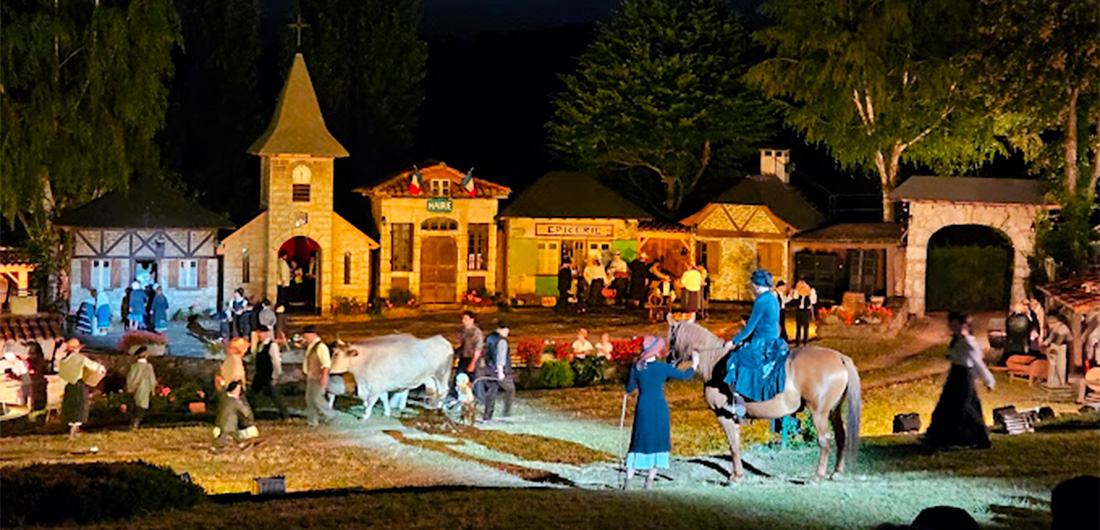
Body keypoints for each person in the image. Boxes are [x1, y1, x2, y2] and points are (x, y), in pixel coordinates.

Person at [623, 336, 697, 490]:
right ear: (656, 352)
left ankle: (628, 481)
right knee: (658, 441)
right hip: (659, 408)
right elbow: (684, 375)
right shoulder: (662, 368)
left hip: (643, 406)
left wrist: (627, 391)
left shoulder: (636, 367)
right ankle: (649, 481)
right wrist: (694, 364)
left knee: (639, 439)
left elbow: (630, 388)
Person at [722, 269, 790, 420]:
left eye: (753, 285)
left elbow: (750, 326)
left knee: (735, 359)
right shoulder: (773, 298)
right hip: (774, 341)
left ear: (758, 285)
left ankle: (739, 404)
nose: (752, 287)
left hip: (761, 343)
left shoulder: (761, 301)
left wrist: (734, 341)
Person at [922, 311, 995, 451]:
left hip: (963, 377)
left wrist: (988, 380)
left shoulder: (968, 342)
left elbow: (977, 363)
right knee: (949, 407)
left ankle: (978, 439)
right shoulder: (957, 339)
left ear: (962, 325)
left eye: (954, 324)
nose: (951, 327)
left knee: (963, 408)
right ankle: (940, 438)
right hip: (956, 375)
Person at [58, 338, 104, 439]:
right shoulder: (80, 358)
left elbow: (61, 374)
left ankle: (72, 432)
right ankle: (73, 433)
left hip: (68, 385)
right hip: (79, 384)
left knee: (71, 409)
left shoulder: (63, 361)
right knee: (79, 409)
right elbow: (94, 366)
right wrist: (101, 368)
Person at [248, 325, 288, 420]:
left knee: (275, 396)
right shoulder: (259, 345)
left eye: (261, 333)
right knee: (252, 395)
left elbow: (276, 361)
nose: (259, 335)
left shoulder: (272, 345)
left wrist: (276, 375)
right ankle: (251, 413)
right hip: (260, 374)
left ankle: (285, 414)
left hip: (268, 375)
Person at [482, 320, 515, 422]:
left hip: (489, 369)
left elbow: (485, 353)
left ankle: (487, 415)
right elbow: (500, 357)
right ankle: (507, 413)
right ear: (504, 330)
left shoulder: (489, 338)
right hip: (500, 370)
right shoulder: (501, 341)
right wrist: (500, 371)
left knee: (491, 391)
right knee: (510, 389)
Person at [302, 325, 335, 426]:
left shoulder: (321, 347)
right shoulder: (311, 346)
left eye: (305, 335)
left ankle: (330, 415)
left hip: (318, 376)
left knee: (317, 398)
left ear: (310, 334)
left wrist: (324, 377)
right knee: (309, 398)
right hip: (311, 376)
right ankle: (312, 421)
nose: (304, 337)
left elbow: (326, 364)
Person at [212, 380, 258, 451]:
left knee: (228, 436)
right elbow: (246, 413)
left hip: (220, 425)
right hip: (229, 426)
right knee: (227, 436)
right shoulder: (235, 401)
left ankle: (239, 444)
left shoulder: (224, 397)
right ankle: (217, 447)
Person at [125, 346, 157, 429]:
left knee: (135, 406)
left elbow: (130, 377)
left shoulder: (134, 366)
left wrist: (130, 387)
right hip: (144, 388)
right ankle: (135, 422)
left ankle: (132, 422)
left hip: (134, 388)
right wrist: (152, 390)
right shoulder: (148, 366)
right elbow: (152, 379)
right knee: (142, 407)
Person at [1043, 314, 1071, 388]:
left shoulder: (1062, 328)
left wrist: (1051, 346)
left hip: (1061, 348)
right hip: (1056, 347)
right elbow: (1051, 337)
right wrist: (1045, 343)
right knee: (1053, 365)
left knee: (1060, 365)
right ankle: (1053, 382)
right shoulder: (1055, 328)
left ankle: (1061, 382)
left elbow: (1059, 341)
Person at [456, 310, 484, 379]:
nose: (463, 321)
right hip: (463, 358)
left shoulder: (476, 332)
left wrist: (473, 363)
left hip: (472, 359)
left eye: (466, 319)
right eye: (463, 319)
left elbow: (478, 348)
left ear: (472, 320)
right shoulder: (464, 331)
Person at [792, 279, 817, 347]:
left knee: (806, 327)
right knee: (798, 327)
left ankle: (805, 342)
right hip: (799, 310)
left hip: (806, 310)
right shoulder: (797, 291)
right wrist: (797, 290)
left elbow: (814, 301)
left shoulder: (811, 291)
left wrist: (810, 294)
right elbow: (795, 297)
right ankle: (797, 342)